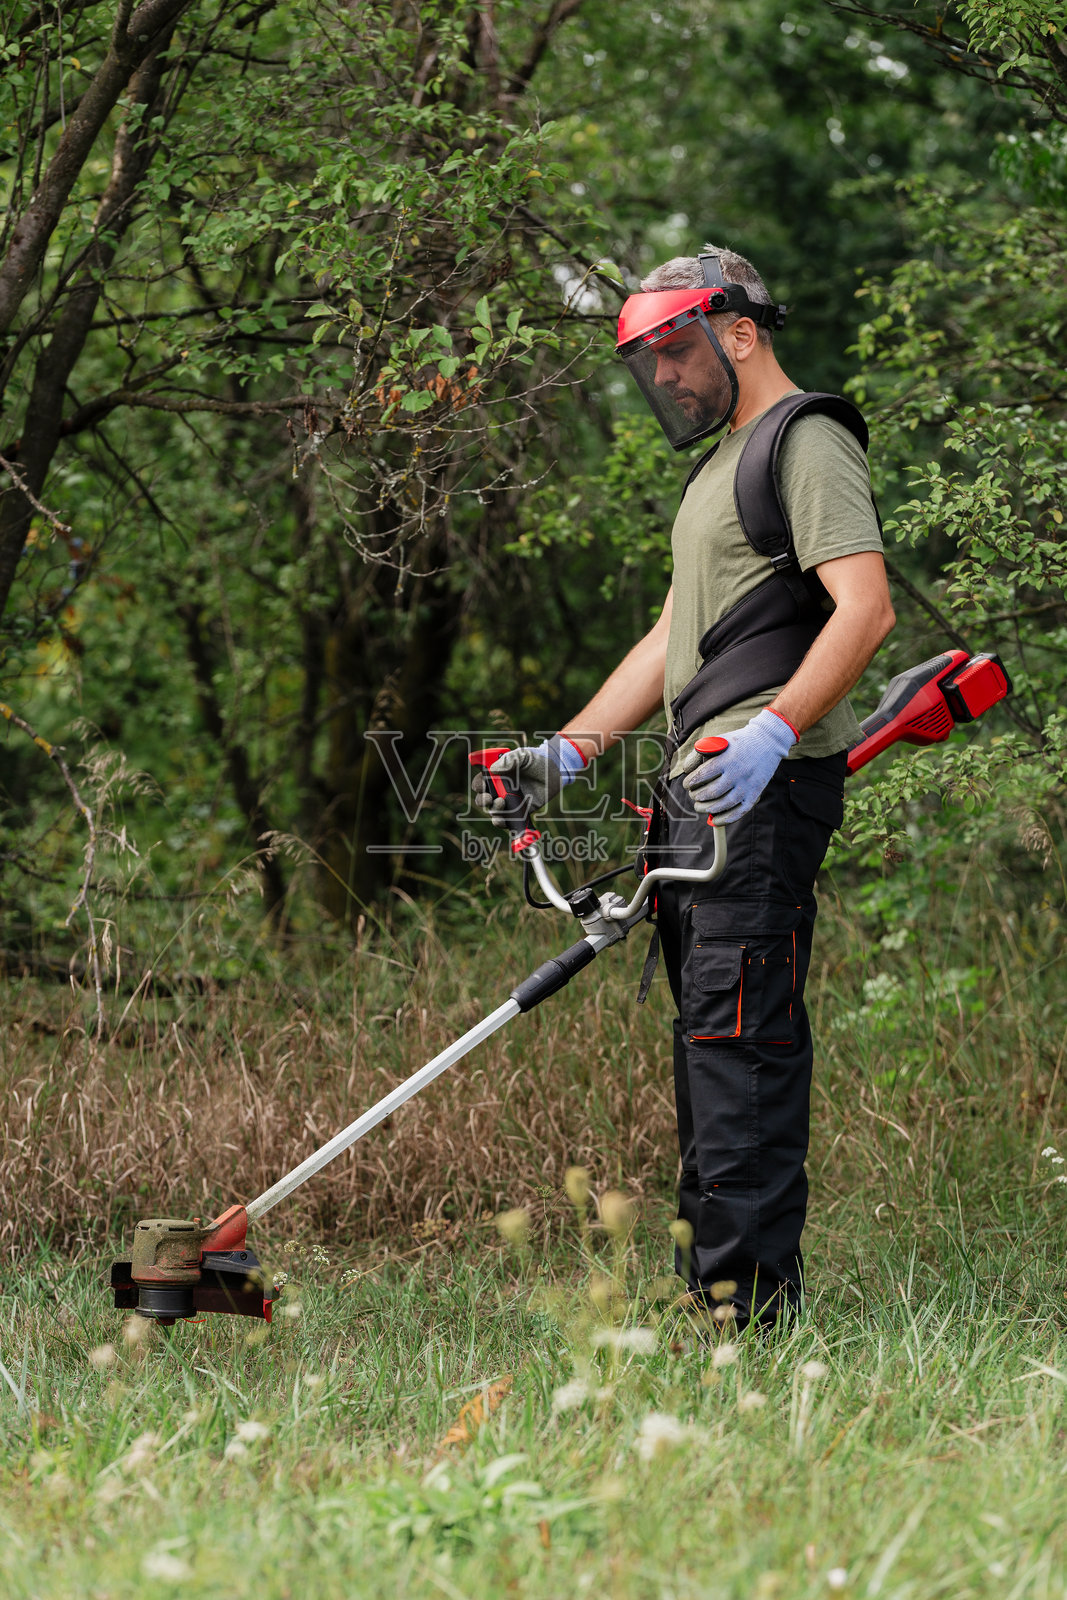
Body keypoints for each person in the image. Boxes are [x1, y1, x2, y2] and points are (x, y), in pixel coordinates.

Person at [478, 245, 894, 1331]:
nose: (662, 376)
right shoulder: (717, 469)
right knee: (709, 1037)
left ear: (737, 330)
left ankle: (746, 1316)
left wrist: (771, 731)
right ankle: (712, 1291)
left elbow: (863, 609)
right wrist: (564, 753)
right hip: (695, 796)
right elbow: (673, 638)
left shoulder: (802, 442)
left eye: (672, 348)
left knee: (740, 1039)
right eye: (646, 361)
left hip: (759, 792)